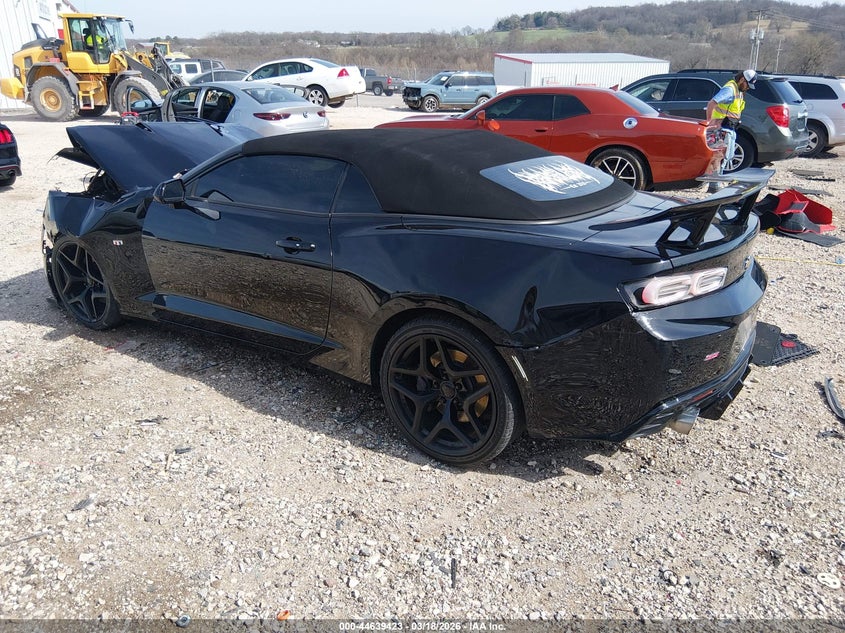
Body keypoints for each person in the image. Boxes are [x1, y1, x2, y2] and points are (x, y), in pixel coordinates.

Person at [705, 69, 757, 190]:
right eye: (747, 84)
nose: (748, 88)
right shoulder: (729, 89)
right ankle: (714, 184)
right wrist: (709, 122)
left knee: (726, 155)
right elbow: (712, 103)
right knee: (718, 155)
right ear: (742, 80)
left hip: (730, 127)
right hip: (721, 126)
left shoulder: (738, 91)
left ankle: (716, 182)